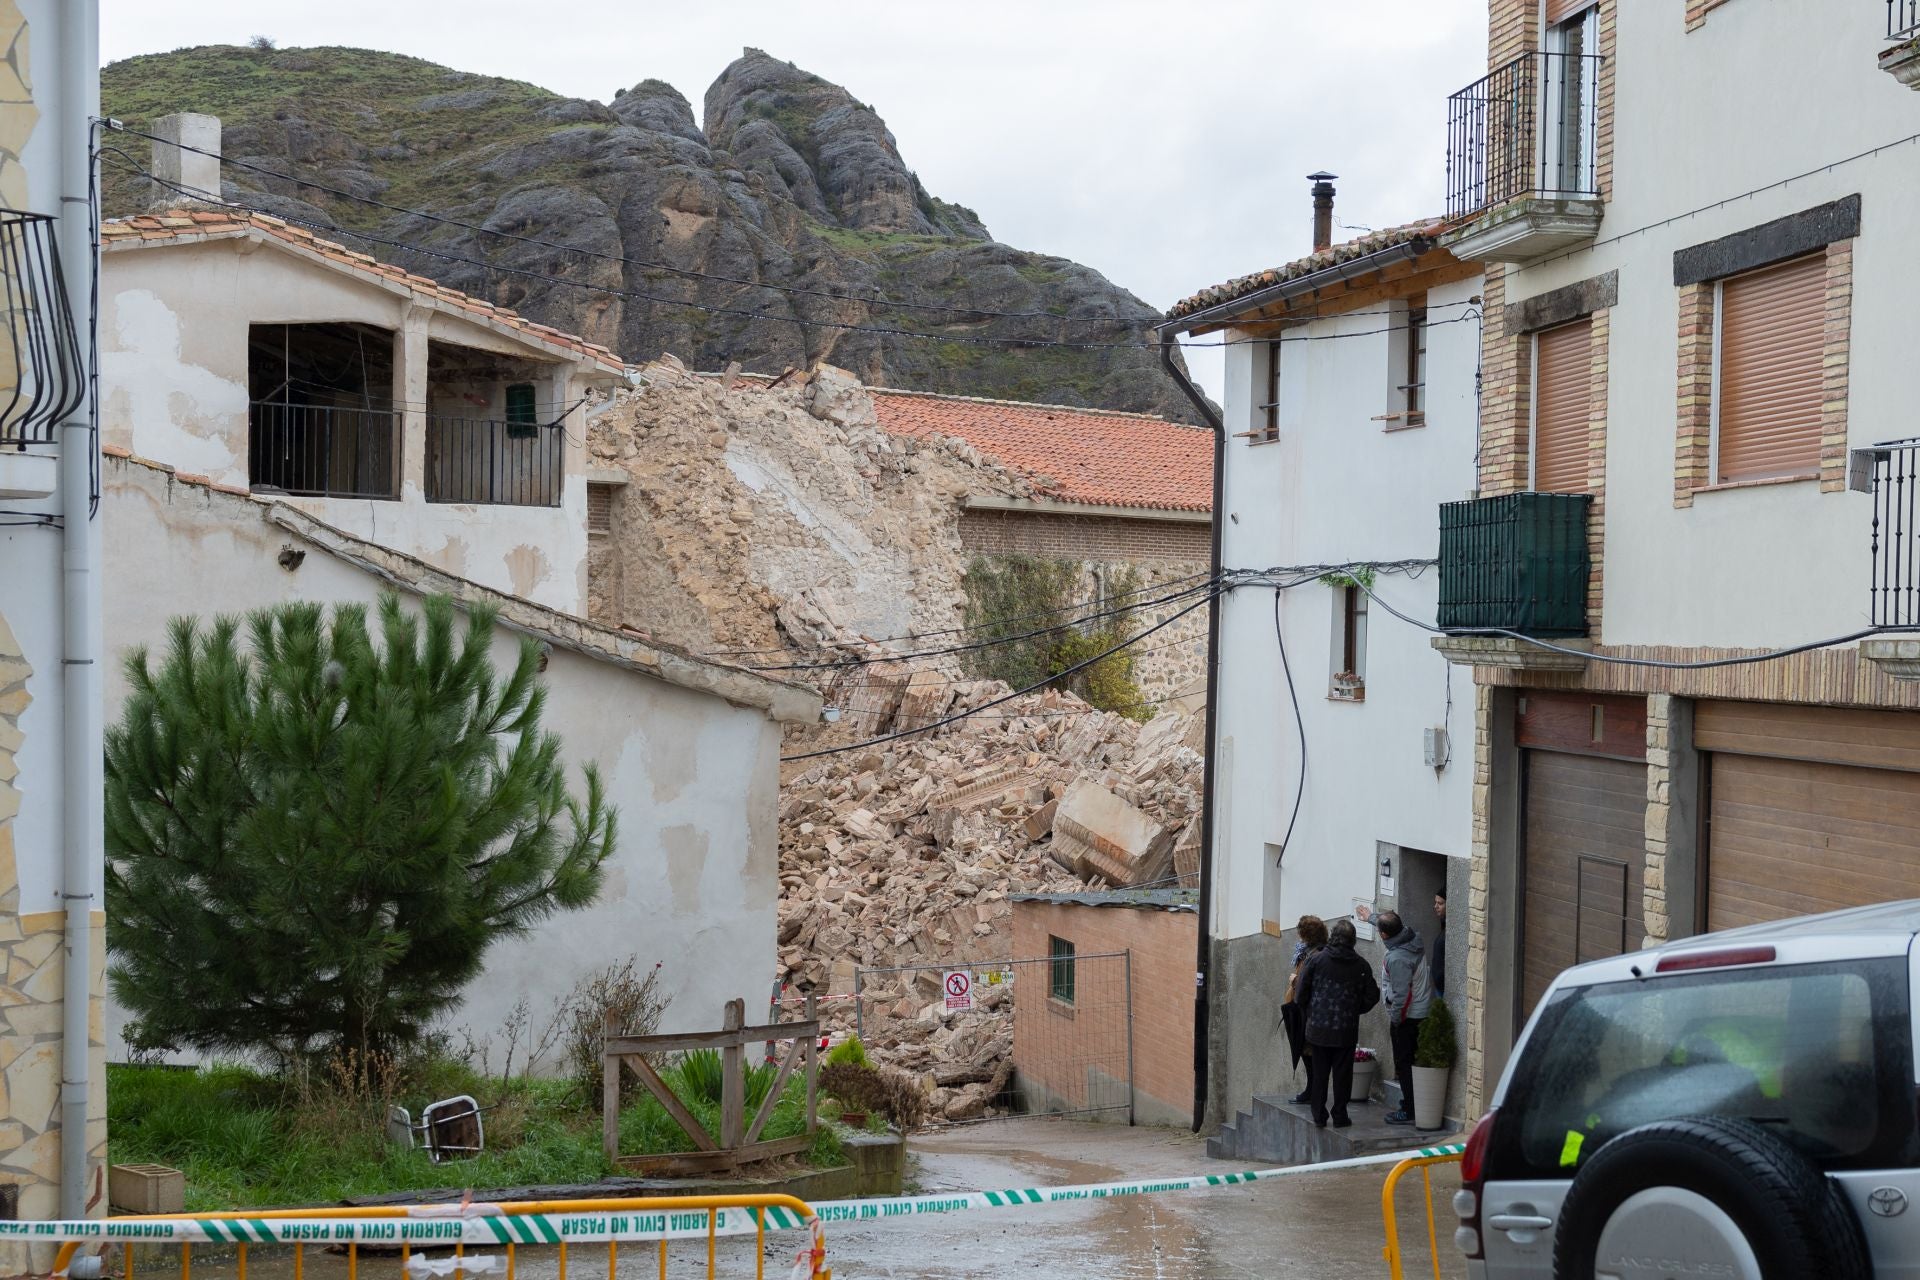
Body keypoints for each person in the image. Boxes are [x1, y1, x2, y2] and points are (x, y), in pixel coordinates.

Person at [1295, 918, 1380, 1129]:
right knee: (1343, 1076)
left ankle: (1319, 1115)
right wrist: (1355, 1009)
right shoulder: (1361, 965)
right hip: (1346, 1030)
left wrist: (1311, 1010)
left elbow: (1300, 993)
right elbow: (1373, 995)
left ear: (1333, 937)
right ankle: (1340, 1116)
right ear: (1352, 941)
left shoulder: (1316, 960)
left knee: (1320, 1074)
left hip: (1319, 1029)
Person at [1378, 909, 1432, 1126]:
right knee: (1410, 1062)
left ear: (1383, 935)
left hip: (1408, 1018)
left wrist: (1396, 1018)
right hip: (1419, 1013)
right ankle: (1412, 1105)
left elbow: (1402, 994)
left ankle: (1409, 1109)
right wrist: (1371, 917)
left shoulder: (1398, 957)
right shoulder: (1411, 939)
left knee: (1405, 1064)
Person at [1282, 915, 1329, 1105]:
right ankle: (1311, 1089)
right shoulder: (1306, 952)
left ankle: (1313, 1091)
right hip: (1299, 1006)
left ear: (1305, 934)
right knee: (1303, 1050)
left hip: (1306, 1009)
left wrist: (1295, 981)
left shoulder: (1315, 955)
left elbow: (1309, 983)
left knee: (1308, 1051)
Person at [1431, 891, 1448, 1003]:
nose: (1435, 906)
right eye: (1435, 902)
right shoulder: (1444, 924)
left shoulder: (1449, 930)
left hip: (1444, 987)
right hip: (1439, 986)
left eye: (1440, 903)